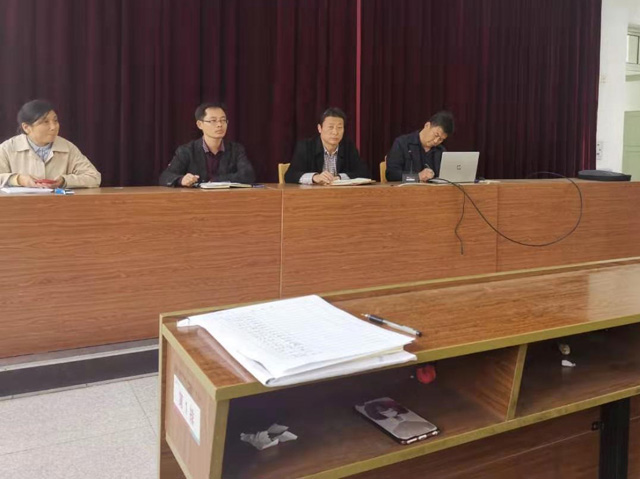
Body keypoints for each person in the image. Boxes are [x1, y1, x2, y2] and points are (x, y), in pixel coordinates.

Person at [0, 99, 101, 188]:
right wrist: (18, 180)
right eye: (45, 122)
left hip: (57, 203)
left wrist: (64, 181)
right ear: (26, 127)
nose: (53, 127)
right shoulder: (7, 148)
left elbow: (94, 177)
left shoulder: (67, 147)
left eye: (55, 121)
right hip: (20, 203)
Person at [159, 102, 255, 187]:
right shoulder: (187, 150)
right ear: (200, 124)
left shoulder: (236, 149)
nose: (219, 125)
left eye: (223, 120)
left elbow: (248, 175)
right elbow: (166, 176)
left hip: (227, 199)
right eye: (213, 121)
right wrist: (181, 180)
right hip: (196, 200)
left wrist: (215, 181)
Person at [284, 107, 369, 185]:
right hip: (313, 195)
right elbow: (290, 175)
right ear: (319, 128)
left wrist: (340, 177)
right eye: (330, 127)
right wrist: (314, 177)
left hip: (341, 194)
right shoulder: (306, 147)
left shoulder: (348, 147)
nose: (335, 132)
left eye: (339, 127)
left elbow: (365, 173)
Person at [385, 111, 455, 182]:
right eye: (436, 135)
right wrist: (417, 177)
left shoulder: (441, 150)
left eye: (441, 139)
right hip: (408, 188)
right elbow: (391, 175)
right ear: (427, 125)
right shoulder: (402, 144)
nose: (436, 141)